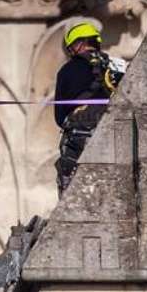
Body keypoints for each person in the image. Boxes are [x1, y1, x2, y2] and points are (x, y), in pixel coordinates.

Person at [53, 21, 126, 197]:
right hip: (116, 130)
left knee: (71, 188)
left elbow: (59, 116)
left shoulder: (67, 70)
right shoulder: (118, 66)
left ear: (78, 44)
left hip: (79, 133)